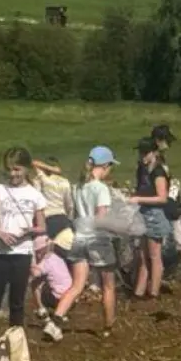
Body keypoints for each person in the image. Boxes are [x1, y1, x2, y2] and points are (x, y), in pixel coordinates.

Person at [44, 146, 121, 342]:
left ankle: (56, 320)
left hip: (79, 237)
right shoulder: (101, 189)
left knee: (77, 285)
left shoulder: (79, 186)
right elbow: (101, 218)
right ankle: (109, 326)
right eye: (110, 166)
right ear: (104, 166)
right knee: (108, 286)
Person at [0, 147, 48, 346]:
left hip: (22, 253)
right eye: (9, 169)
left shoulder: (35, 195)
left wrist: (28, 231)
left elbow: (42, 226)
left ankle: (15, 345)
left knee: (17, 302)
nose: (13, 174)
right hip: (0, 252)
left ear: (26, 169)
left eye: (17, 169)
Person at [130, 138, 171, 300]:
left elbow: (162, 198)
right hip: (142, 214)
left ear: (154, 153)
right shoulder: (141, 169)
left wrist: (139, 199)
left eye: (145, 153)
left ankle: (154, 292)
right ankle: (139, 291)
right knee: (142, 254)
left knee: (154, 255)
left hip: (154, 215)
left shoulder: (158, 172)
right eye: (141, 153)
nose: (142, 156)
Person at [34, 156, 76, 252]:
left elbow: (36, 201)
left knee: (47, 253)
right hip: (63, 219)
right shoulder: (65, 182)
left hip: (47, 219)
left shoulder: (40, 179)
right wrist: (69, 219)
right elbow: (70, 206)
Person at [30, 235, 72, 324]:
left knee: (35, 284)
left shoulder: (46, 261)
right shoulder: (57, 257)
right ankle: (62, 313)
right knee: (48, 279)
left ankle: (42, 310)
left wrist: (32, 262)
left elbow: (35, 274)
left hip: (58, 298)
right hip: (71, 297)